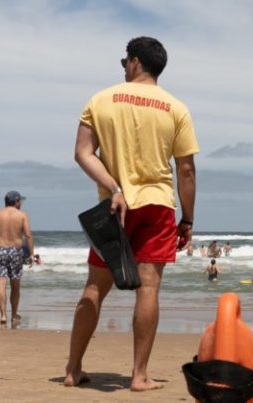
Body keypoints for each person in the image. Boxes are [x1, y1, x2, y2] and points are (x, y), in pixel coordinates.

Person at [65, 36, 199, 391]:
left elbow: (83, 153)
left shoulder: (100, 99)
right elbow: (185, 170)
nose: (124, 66)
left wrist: (114, 187)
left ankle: (73, 368)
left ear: (136, 62)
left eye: (124, 61)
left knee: (95, 287)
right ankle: (139, 375)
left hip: (114, 207)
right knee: (149, 288)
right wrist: (187, 219)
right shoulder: (176, 108)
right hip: (156, 203)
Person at [0, 190, 34, 325]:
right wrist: (31, 253)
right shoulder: (21, 215)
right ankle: (13, 315)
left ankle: (3, 315)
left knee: (1, 284)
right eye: (20, 201)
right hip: (16, 251)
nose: (21, 204)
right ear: (16, 201)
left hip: (0, 250)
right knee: (15, 285)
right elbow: (28, 235)